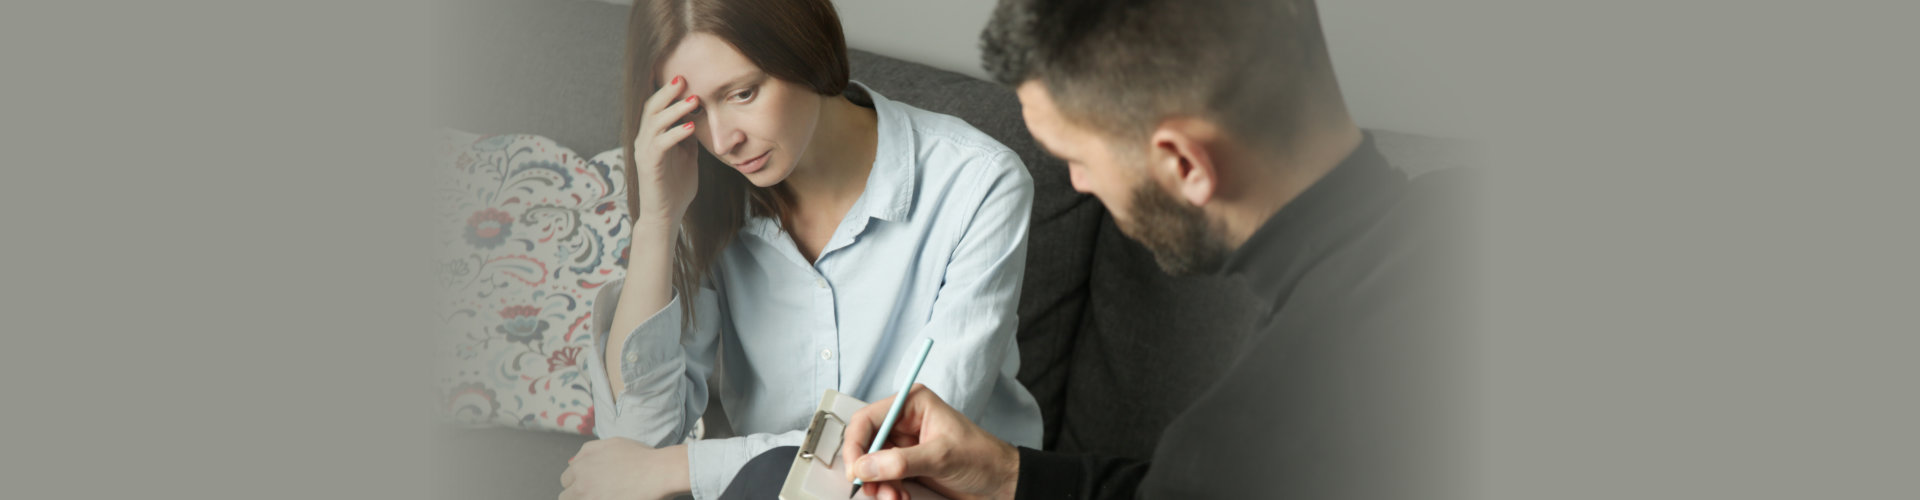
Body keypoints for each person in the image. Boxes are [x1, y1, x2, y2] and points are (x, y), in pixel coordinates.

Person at [796, 0, 1473, 499]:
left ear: (1184, 164)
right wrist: (1006, 475)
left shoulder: (1237, 441)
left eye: (1077, 160)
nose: (1079, 185)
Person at [557, 1, 1046, 499]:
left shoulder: (978, 184)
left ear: (806, 50)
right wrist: (656, 224)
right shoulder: (702, 194)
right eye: (694, 111)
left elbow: (913, 446)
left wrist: (678, 468)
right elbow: (635, 444)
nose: (723, 141)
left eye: (743, 93)